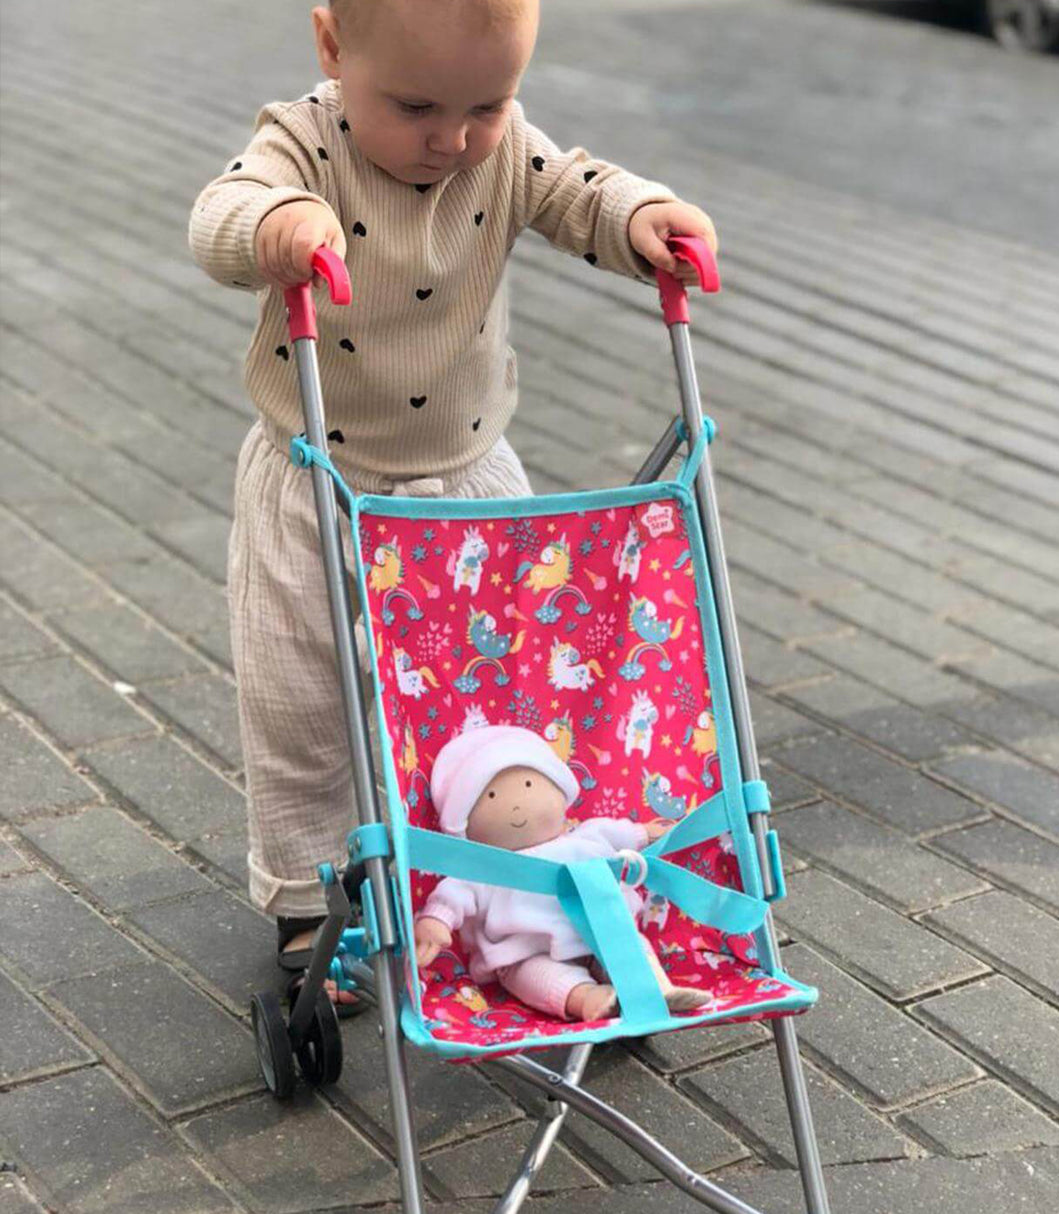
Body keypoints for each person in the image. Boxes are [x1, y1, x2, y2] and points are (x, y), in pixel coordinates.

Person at [188, 0, 718, 1010]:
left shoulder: (500, 150)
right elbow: (221, 211)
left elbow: (576, 189)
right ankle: (308, 899)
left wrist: (638, 215)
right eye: (417, 106)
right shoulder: (303, 142)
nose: (454, 138)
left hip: (468, 479)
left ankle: (493, 880)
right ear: (333, 47)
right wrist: (276, 223)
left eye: (487, 104)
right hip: (317, 476)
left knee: (487, 702)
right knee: (300, 700)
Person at [415, 725, 710, 1022]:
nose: (517, 806)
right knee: (532, 976)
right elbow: (453, 894)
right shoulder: (485, 870)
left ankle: (656, 988)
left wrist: (647, 833)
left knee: (629, 944)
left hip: (602, 930)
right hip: (524, 951)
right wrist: (435, 920)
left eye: (528, 785)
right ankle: (588, 999)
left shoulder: (585, 837)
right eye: (491, 796)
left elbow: (622, 834)